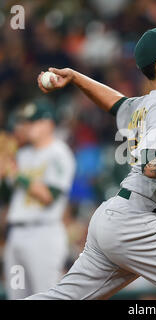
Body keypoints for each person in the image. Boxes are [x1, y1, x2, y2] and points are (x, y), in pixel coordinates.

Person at [26, 26, 156, 300]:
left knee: (63, 298)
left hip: (117, 218)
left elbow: (116, 103)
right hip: (138, 221)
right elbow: (153, 166)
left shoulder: (147, 104)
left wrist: (76, 78)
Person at [2, 100, 76, 299]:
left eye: (33, 121)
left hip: (43, 234)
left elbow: (49, 196)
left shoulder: (59, 153)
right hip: (15, 235)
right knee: (15, 295)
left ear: (48, 123)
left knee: (46, 295)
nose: (28, 126)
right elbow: (6, 196)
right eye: (26, 122)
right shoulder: (22, 155)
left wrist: (14, 173)